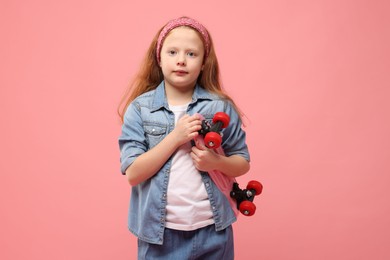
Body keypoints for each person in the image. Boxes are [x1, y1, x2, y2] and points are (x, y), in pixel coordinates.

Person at [118, 16, 250, 259]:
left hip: (214, 231)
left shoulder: (219, 106)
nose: (181, 60)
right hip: (159, 237)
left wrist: (216, 163)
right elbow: (133, 174)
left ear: (203, 63)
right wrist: (175, 137)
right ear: (159, 58)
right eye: (172, 52)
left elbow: (242, 162)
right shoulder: (140, 109)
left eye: (191, 54)